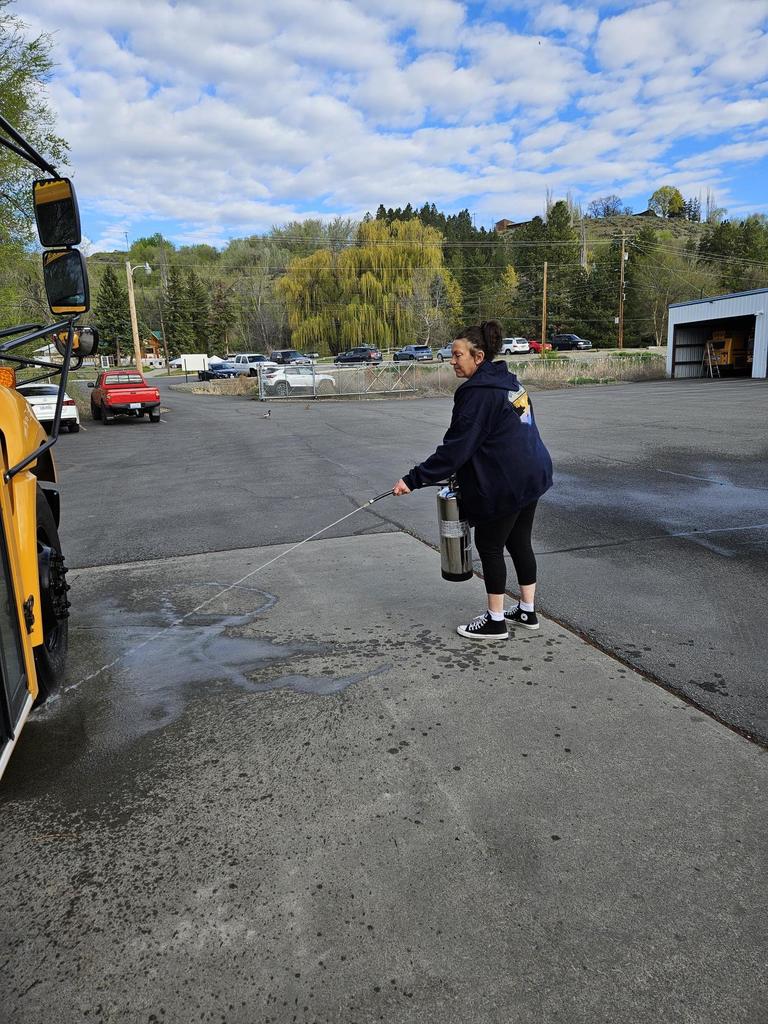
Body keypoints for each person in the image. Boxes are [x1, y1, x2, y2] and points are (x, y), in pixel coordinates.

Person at [392, 321, 553, 641]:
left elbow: (456, 448)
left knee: (489, 545)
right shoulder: (507, 382)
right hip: (533, 473)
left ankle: (496, 622)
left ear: (478, 357)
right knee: (518, 541)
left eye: (457, 355)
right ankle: (526, 610)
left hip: (509, 480)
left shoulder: (477, 393)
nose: (452, 360)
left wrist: (414, 479)